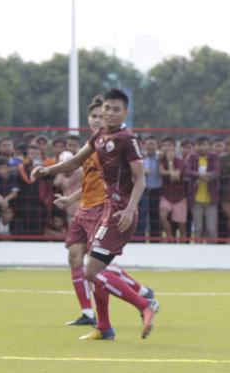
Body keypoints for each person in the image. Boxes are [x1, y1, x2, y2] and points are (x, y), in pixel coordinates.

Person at [34, 89, 159, 340]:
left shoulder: (126, 139)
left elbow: (140, 180)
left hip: (119, 213)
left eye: (116, 109)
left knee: (93, 272)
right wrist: (46, 171)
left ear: (125, 112)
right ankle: (104, 327)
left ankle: (144, 302)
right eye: (107, 108)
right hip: (107, 211)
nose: (110, 113)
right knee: (94, 269)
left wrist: (130, 208)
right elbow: (73, 164)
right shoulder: (99, 136)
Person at [184, 137, 220, 240]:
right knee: (198, 228)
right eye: (199, 145)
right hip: (195, 199)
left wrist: (205, 176)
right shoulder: (191, 157)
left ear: (209, 146)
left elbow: (216, 172)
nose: (201, 147)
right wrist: (200, 175)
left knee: (211, 229)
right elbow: (187, 171)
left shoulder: (214, 157)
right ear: (195, 146)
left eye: (204, 145)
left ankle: (213, 252)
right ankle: (197, 252)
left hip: (211, 198)